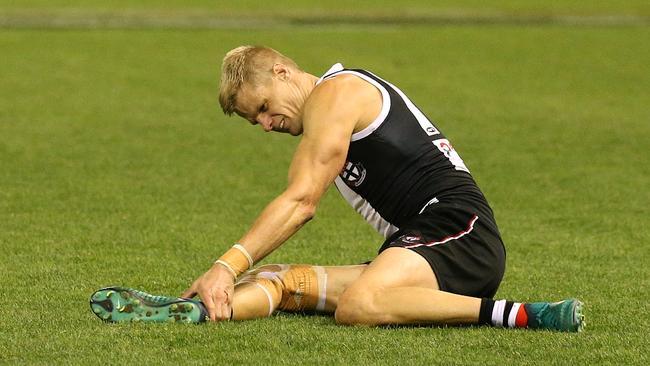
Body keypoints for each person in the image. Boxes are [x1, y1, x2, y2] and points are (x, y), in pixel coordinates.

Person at [89, 46, 584, 332]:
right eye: (252, 121)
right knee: (282, 281)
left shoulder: (337, 92)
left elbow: (302, 201)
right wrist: (229, 276)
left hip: (458, 231)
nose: (264, 125)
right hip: (418, 248)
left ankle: (525, 315)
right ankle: (196, 311)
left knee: (359, 306)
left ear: (282, 70)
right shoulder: (324, 112)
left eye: (262, 107)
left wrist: (224, 264)